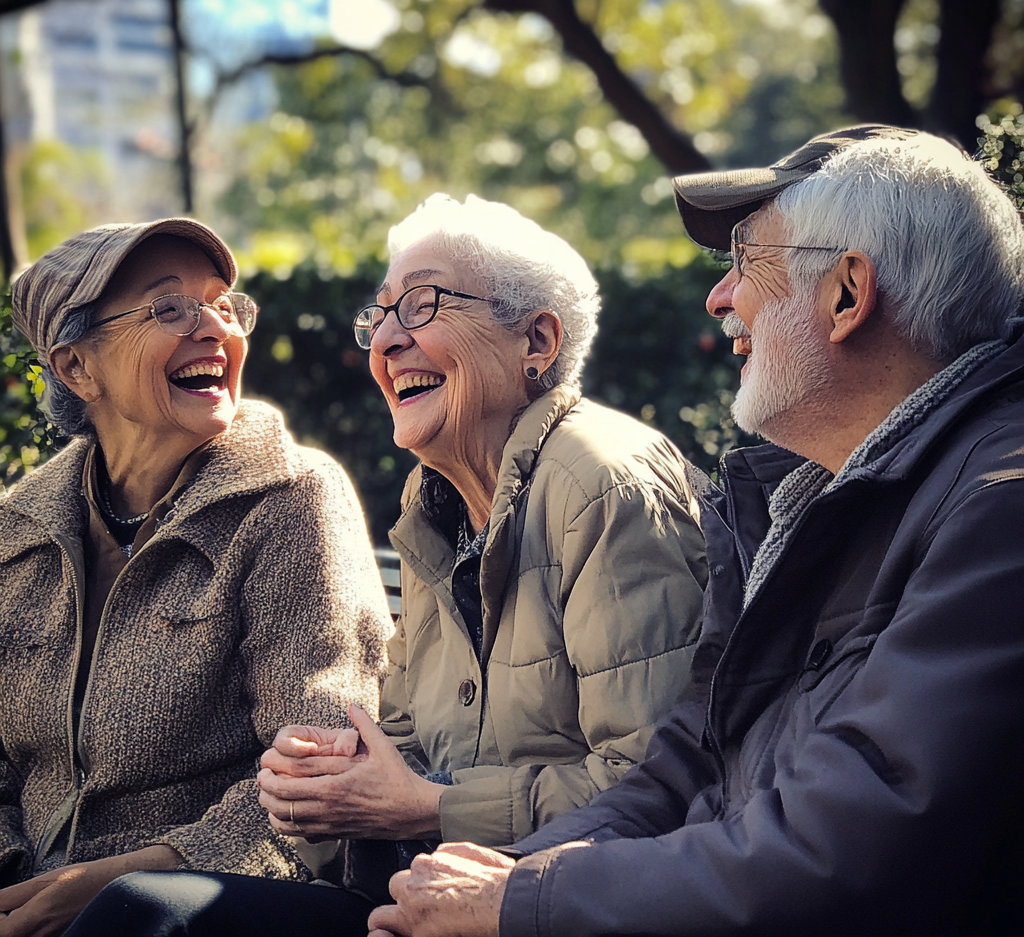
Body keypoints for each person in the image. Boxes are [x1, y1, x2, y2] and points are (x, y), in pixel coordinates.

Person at [366, 126, 1024, 937]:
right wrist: (512, 882)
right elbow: (677, 769)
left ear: (849, 295)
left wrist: (519, 904)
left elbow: (847, 851)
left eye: (748, 263)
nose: (719, 300)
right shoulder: (803, 504)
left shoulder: (999, 507)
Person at [67, 194, 709, 933]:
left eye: (423, 304)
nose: (387, 342)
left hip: (547, 907)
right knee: (144, 912)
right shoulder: (440, 500)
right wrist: (323, 787)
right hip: (425, 894)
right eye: (381, 316)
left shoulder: (601, 482)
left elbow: (655, 787)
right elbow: (405, 739)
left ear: (536, 339)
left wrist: (424, 805)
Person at [0, 218, 393, 936]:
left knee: (130, 916)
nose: (214, 328)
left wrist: (110, 882)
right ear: (76, 368)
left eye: (222, 304)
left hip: (215, 899)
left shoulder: (290, 497)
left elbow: (316, 774)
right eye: (170, 308)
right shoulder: (19, 529)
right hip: (38, 895)